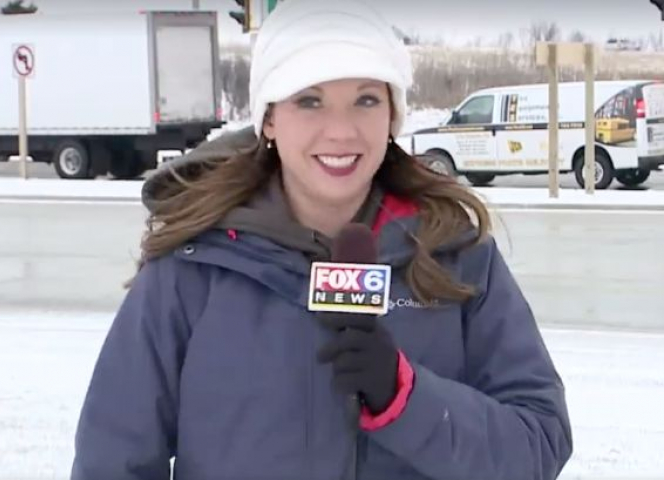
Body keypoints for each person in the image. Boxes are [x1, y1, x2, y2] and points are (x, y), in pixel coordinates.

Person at [70, 1, 573, 479]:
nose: (341, 131)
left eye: (366, 100)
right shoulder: (193, 266)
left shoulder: (456, 255)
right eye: (309, 101)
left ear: (392, 115)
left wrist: (406, 397)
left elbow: (537, 444)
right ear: (269, 118)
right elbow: (113, 459)